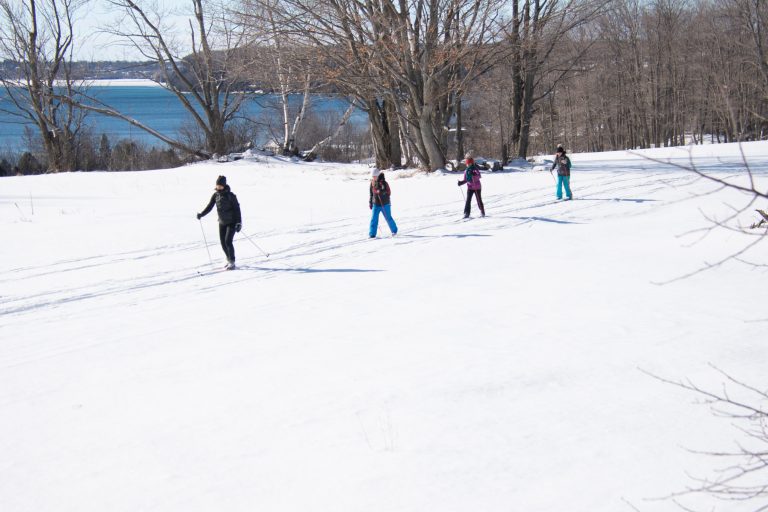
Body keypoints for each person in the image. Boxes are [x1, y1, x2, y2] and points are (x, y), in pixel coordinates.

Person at [197, 175, 242, 270]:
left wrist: (239, 223)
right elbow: (210, 206)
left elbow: (237, 209)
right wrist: (202, 214)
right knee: (223, 243)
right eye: (217, 185)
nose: (218, 187)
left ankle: (232, 262)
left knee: (228, 241)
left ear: (224, 185)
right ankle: (228, 259)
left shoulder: (231, 196)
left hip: (232, 222)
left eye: (220, 185)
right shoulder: (215, 195)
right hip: (222, 222)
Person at [368, 168, 398, 238]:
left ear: (378, 175)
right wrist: (370, 202)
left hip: (385, 204)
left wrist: (381, 192)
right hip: (376, 204)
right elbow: (371, 194)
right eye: (373, 176)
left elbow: (389, 192)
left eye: (375, 176)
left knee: (388, 218)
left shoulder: (384, 183)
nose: (374, 178)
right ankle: (372, 234)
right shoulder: (372, 183)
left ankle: (394, 230)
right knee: (373, 219)